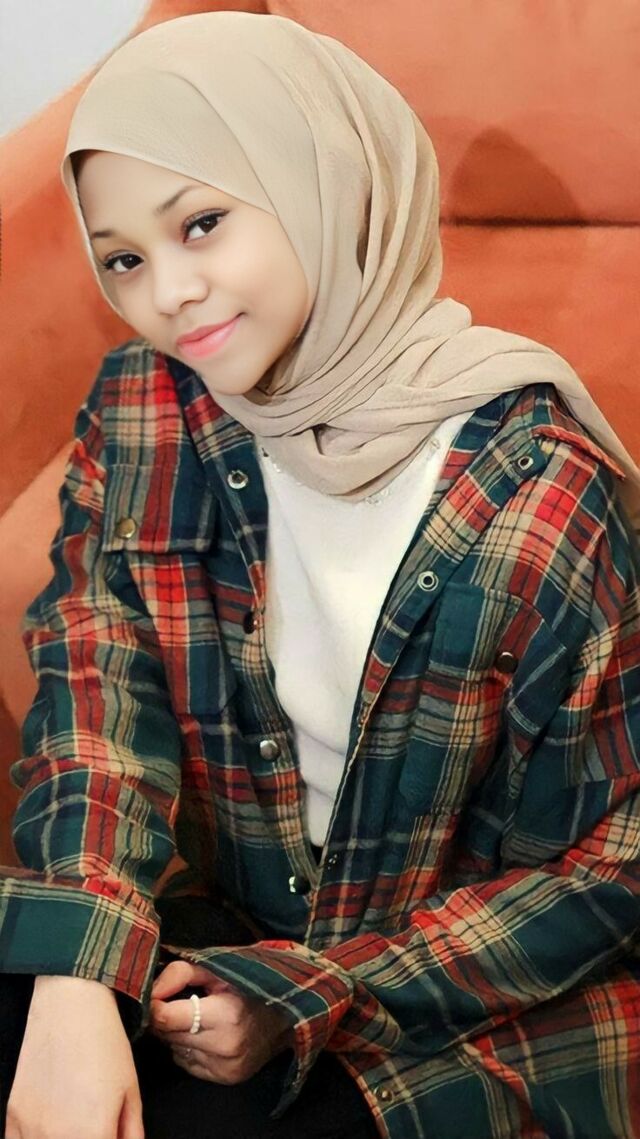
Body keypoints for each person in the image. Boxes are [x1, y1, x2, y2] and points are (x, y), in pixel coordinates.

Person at [1, 10, 640, 1139]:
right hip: (214, 930)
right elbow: (95, 687)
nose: (168, 292)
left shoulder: (539, 489)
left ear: (325, 186)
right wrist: (78, 972)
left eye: (202, 222)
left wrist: (310, 992)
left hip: (450, 1004)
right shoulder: (147, 404)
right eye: (125, 258)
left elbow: (607, 870)